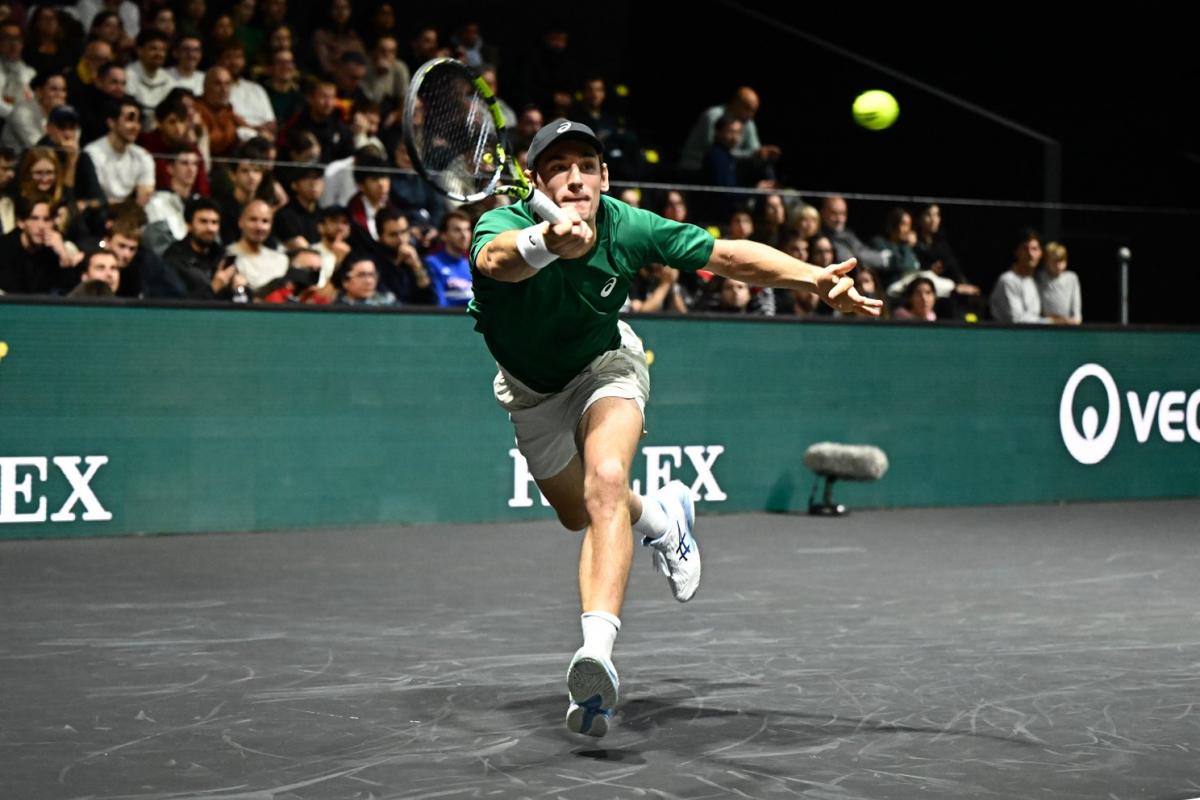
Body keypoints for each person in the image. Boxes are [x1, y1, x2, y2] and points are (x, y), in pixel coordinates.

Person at [469, 120, 880, 738]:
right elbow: (495, 263)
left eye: (587, 163)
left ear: (605, 177)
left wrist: (812, 278)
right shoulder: (501, 226)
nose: (575, 176)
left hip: (606, 367)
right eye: (558, 166)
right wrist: (547, 242)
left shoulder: (629, 225)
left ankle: (595, 658)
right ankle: (665, 519)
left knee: (606, 481)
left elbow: (726, 256)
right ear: (536, 180)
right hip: (530, 393)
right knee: (576, 513)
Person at [990, 228, 1047, 324]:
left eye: (1034, 249)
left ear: (1041, 253)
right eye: (1025, 249)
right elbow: (1017, 320)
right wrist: (1053, 322)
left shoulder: (1038, 280)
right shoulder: (1007, 280)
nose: (1030, 254)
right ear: (1017, 252)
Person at [1038, 241, 1082, 325]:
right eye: (1054, 262)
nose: (1059, 265)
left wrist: (1076, 320)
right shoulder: (1040, 277)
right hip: (1046, 324)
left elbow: (1076, 306)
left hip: (1067, 324)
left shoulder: (1072, 278)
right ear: (1046, 262)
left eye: (1062, 261)